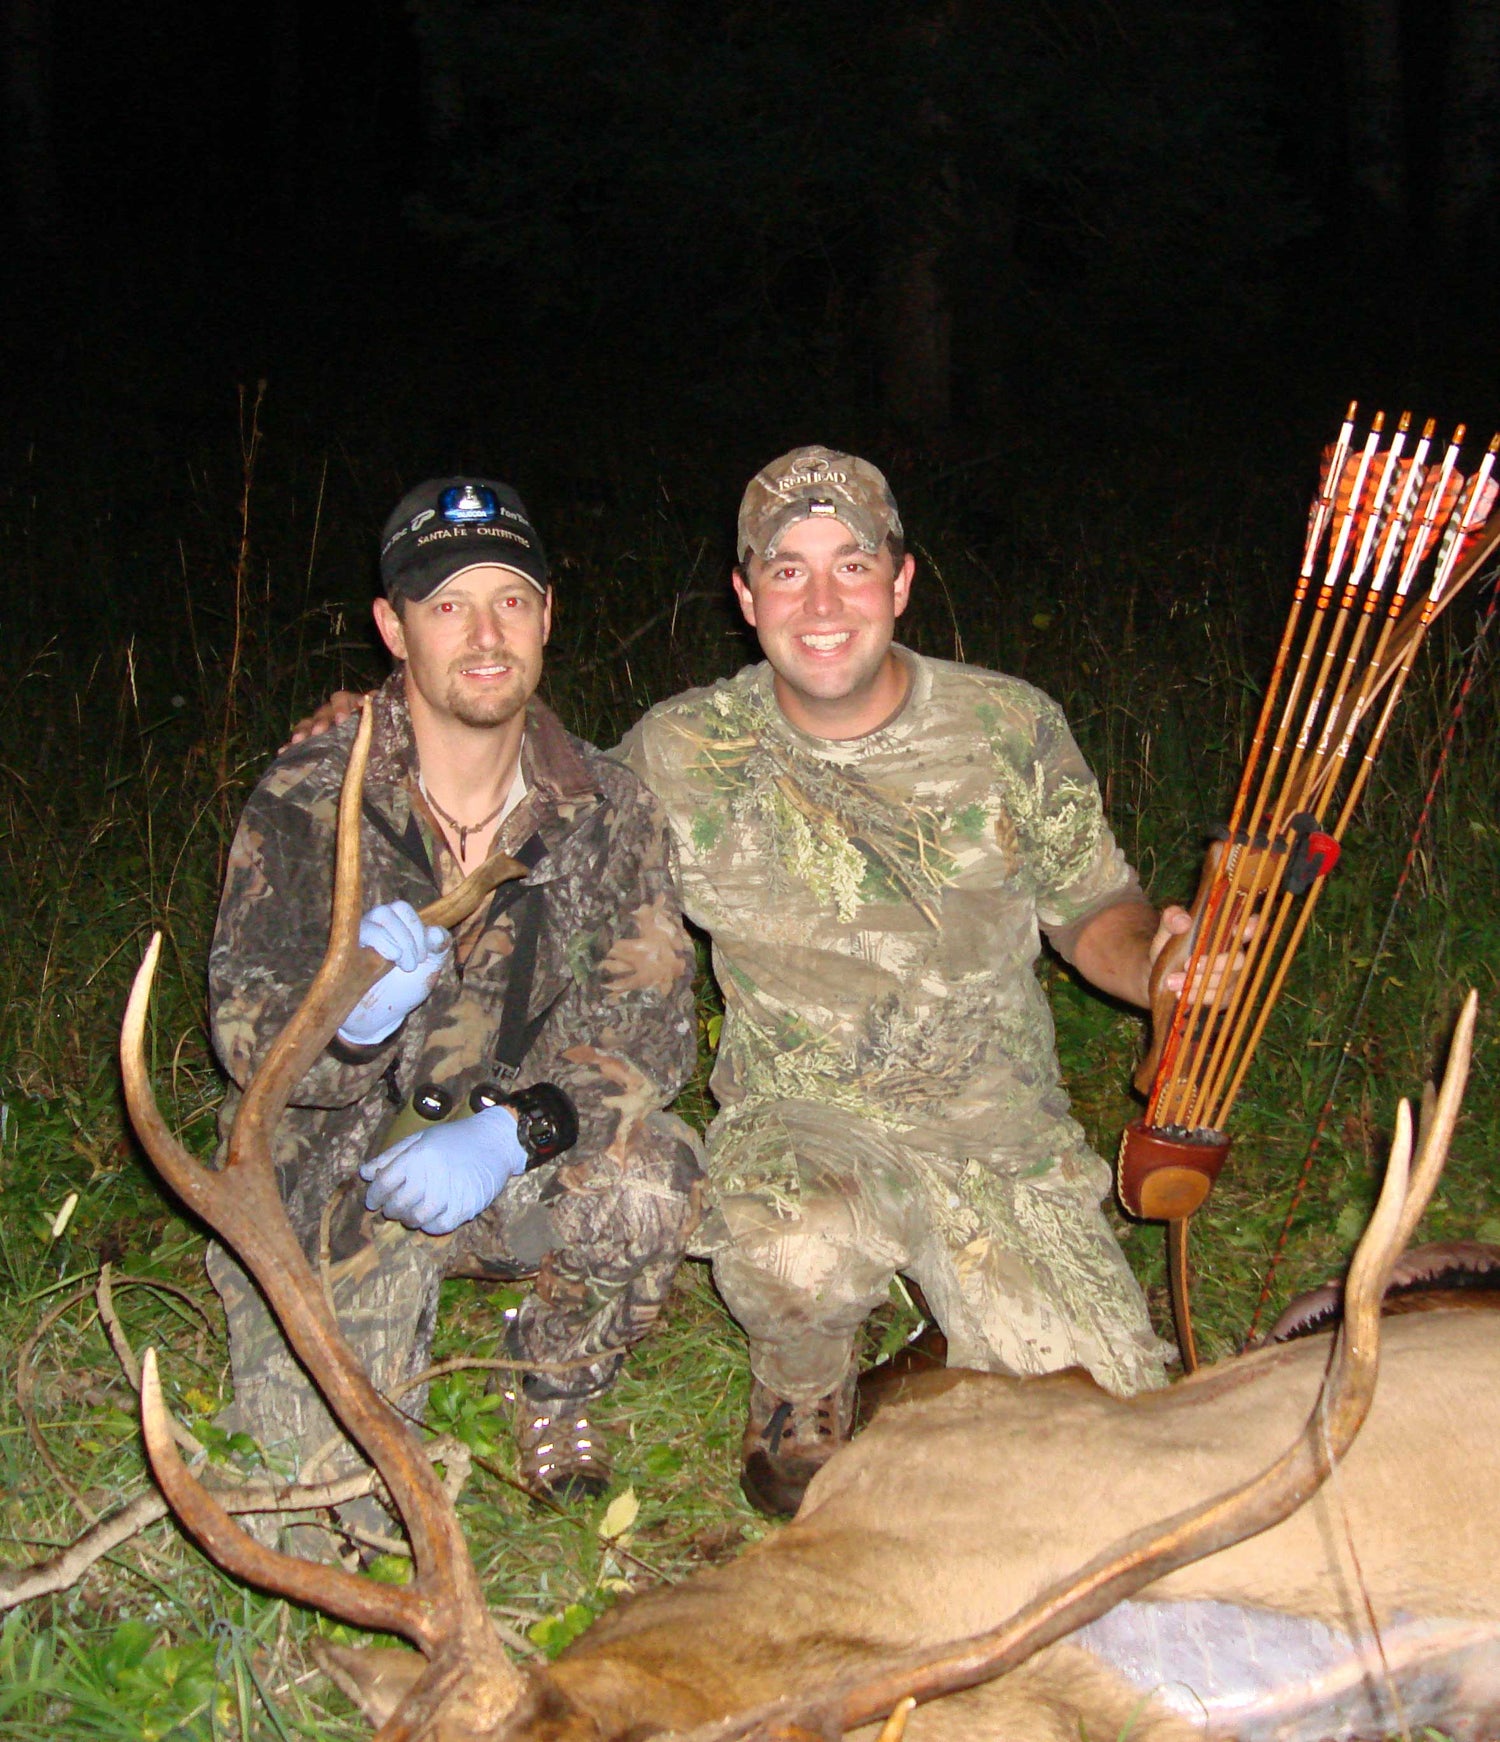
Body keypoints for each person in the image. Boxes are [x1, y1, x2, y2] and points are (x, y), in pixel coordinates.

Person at [295, 448, 1199, 1518]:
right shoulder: (685, 748)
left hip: (997, 1130)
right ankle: (801, 1384)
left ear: (901, 582)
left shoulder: (1011, 725)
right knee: (789, 1242)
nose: (822, 604)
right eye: (786, 570)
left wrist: (1160, 967)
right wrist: (395, 721)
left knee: (1120, 1443)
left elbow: (1095, 909)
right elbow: (539, 798)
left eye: (851, 566)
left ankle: (947, 1341)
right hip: (804, 1124)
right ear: (744, 593)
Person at [209, 477, 702, 1532]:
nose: (485, 636)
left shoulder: (611, 808)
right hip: (335, 1160)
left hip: (499, 1159)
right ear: (394, 628)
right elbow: (246, 1030)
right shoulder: (307, 796)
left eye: (510, 600)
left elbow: (650, 1042)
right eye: (447, 605)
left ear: (546, 617)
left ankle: (551, 1377)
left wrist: (515, 1132)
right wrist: (350, 1021)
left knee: (652, 1178)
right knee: (332, 1514)